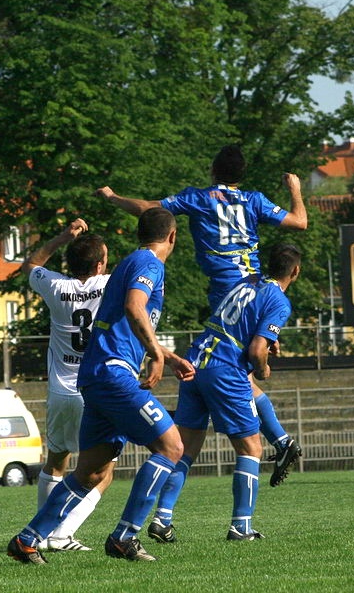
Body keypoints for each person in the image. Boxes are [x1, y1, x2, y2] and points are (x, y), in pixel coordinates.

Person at [95, 144, 306, 486]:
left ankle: (280, 441)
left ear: (212, 171)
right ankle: (281, 441)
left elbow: (150, 210)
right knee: (243, 367)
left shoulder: (199, 198)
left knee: (233, 370)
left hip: (228, 290)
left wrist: (114, 197)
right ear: (243, 174)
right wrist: (294, 189)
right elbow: (299, 221)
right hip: (257, 286)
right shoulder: (253, 200)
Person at [7, 207, 196, 564]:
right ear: (172, 236)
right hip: (114, 374)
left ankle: (27, 540)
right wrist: (156, 353)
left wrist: (165, 356)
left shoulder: (127, 264)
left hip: (92, 375)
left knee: (90, 471)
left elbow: (122, 320)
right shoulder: (149, 264)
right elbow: (134, 305)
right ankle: (125, 536)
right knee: (172, 447)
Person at [149, 243, 302, 544]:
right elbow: (257, 350)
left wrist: (264, 342)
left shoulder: (247, 281)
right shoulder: (280, 301)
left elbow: (244, 324)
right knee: (250, 450)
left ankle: (162, 518)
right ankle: (240, 527)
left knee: (185, 449)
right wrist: (263, 367)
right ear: (295, 271)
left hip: (196, 361)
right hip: (224, 371)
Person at [21, 218, 112, 552]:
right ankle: (62, 534)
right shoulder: (111, 284)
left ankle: (42, 532)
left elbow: (30, 264)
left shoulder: (57, 287)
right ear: (101, 264)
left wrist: (63, 236)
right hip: (97, 388)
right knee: (103, 469)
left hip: (62, 389)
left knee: (56, 461)